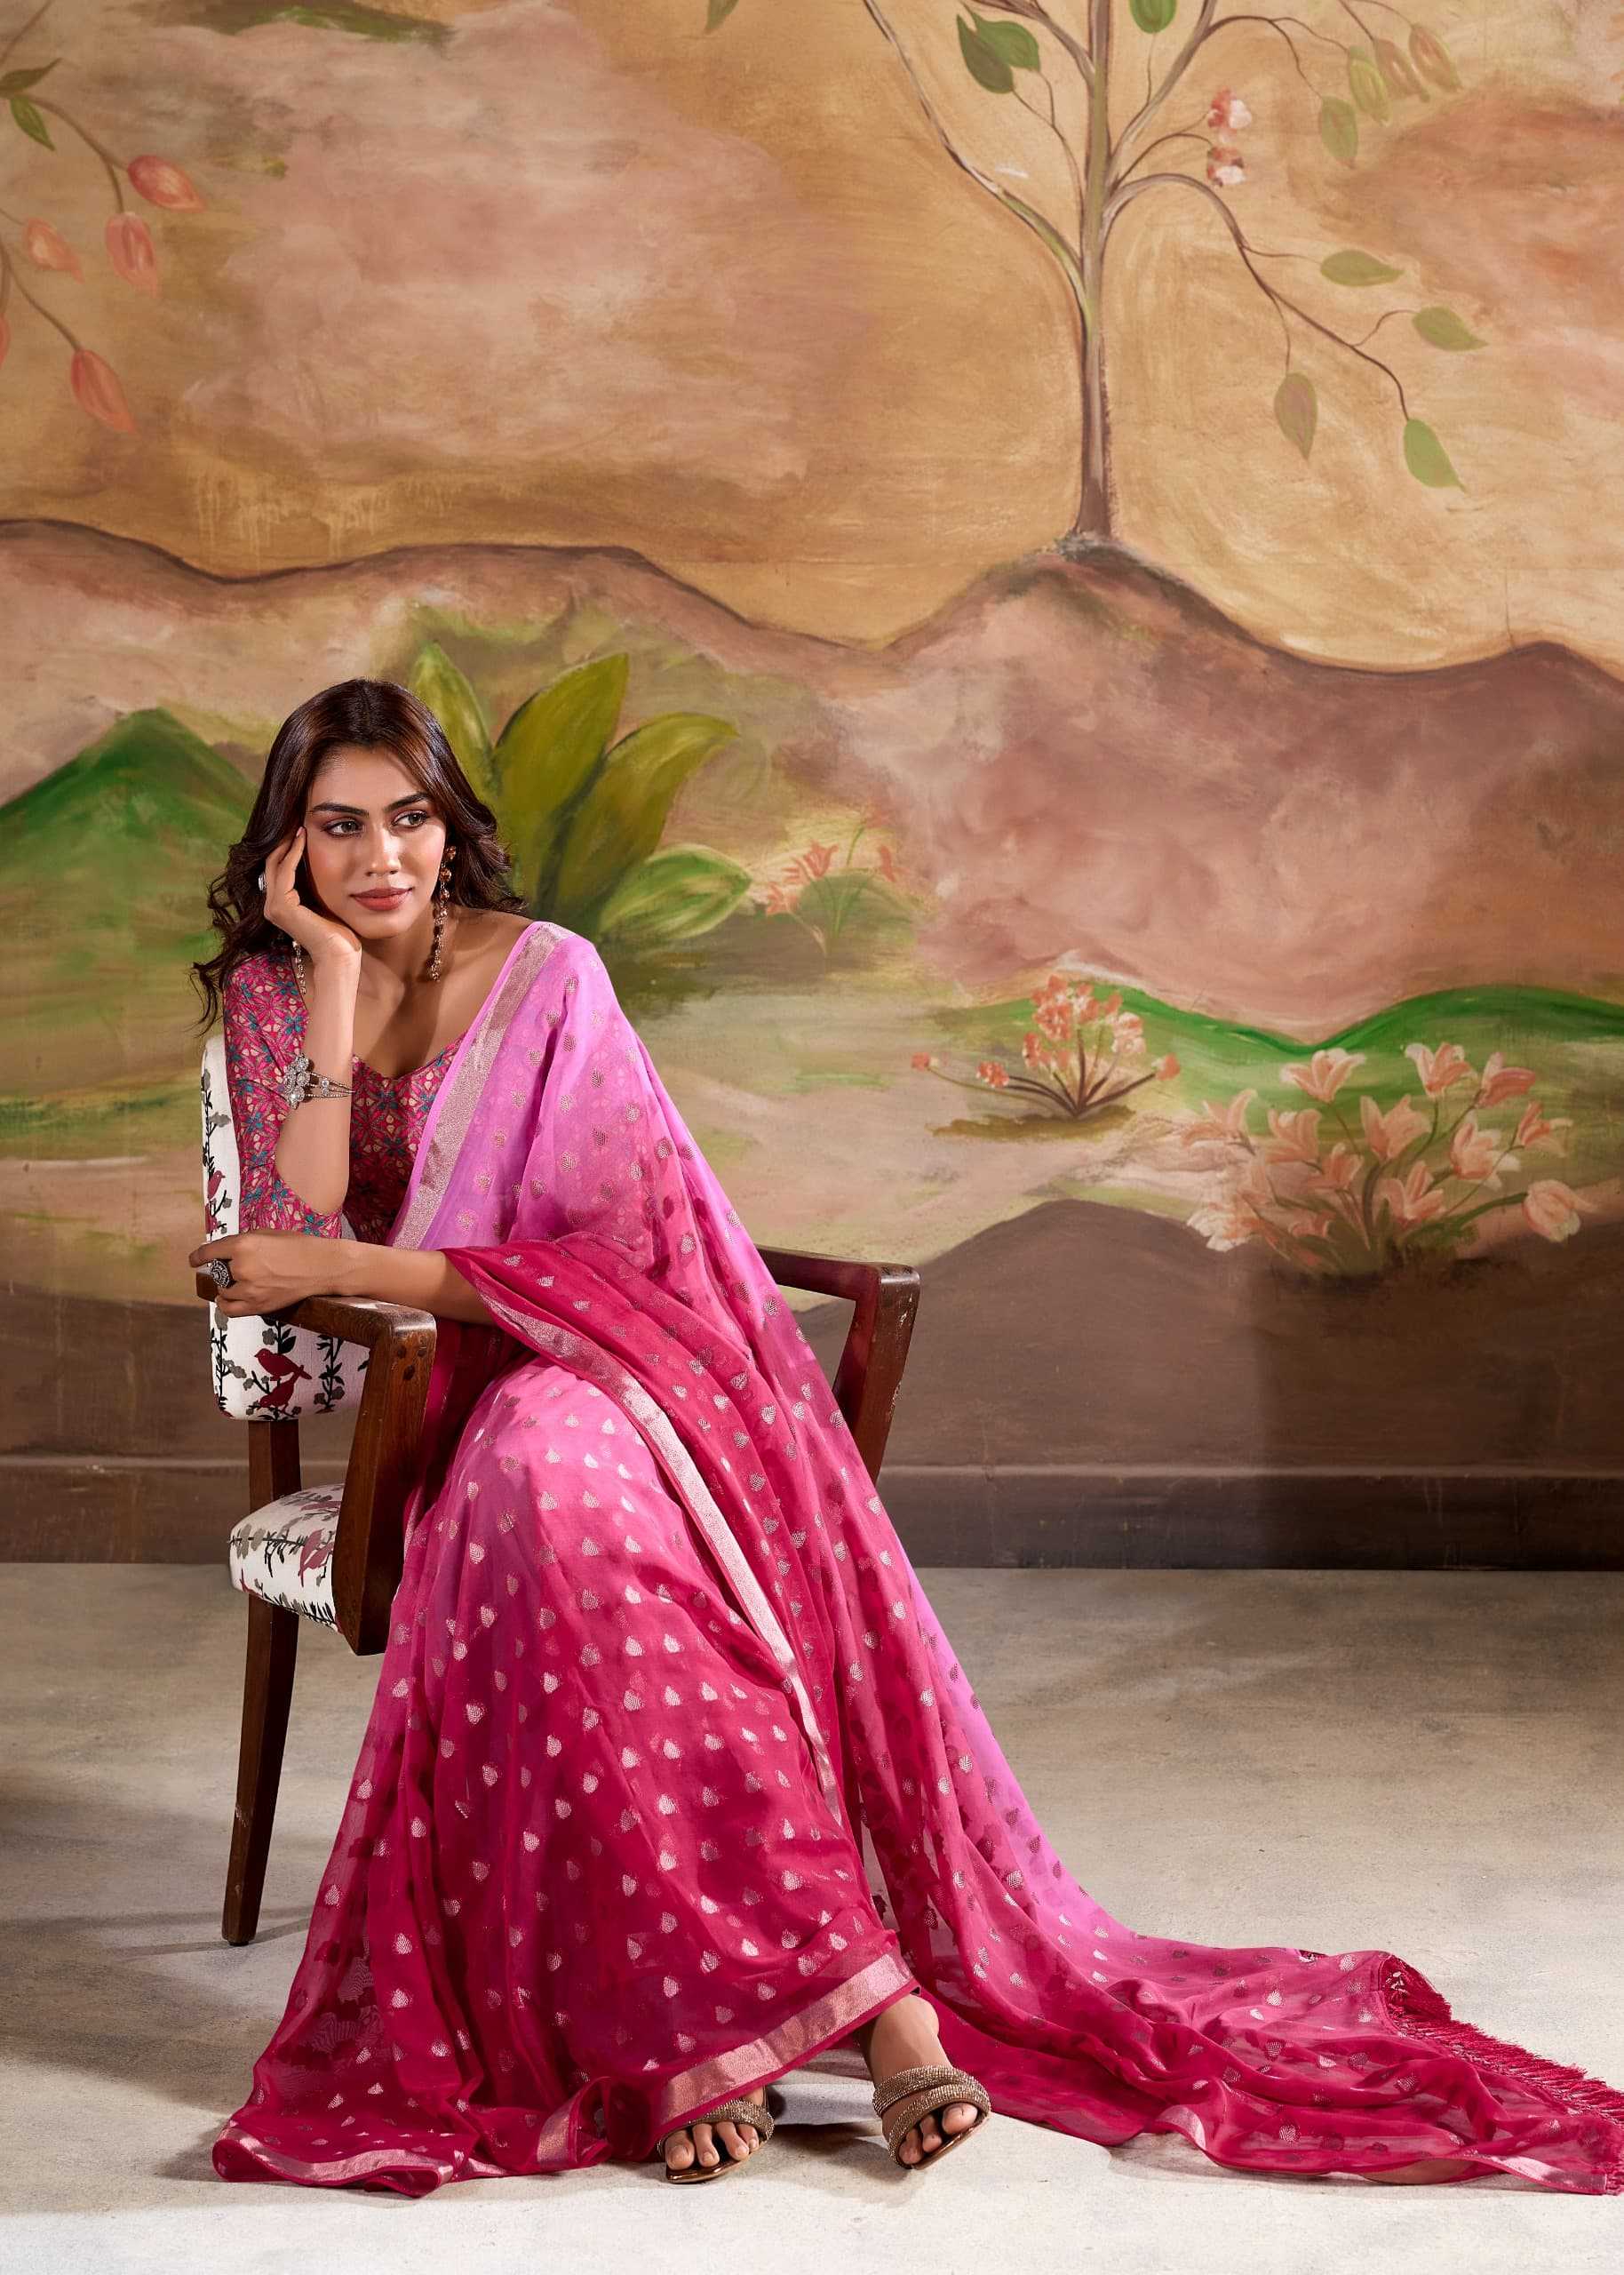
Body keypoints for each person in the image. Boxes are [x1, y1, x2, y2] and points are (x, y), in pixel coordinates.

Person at [188, 679, 1624, 2198]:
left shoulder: (549, 976)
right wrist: (332, 975)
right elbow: (296, 1213)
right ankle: (820, 2009)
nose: (382, 858)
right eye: (339, 828)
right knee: (546, 1503)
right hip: (445, 1407)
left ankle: (787, 2018)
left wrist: (360, 1265)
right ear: (292, 847)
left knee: (567, 1480)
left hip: (607, 1363)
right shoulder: (279, 995)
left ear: (449, 825)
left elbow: (604, 1253)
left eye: (408, 819)